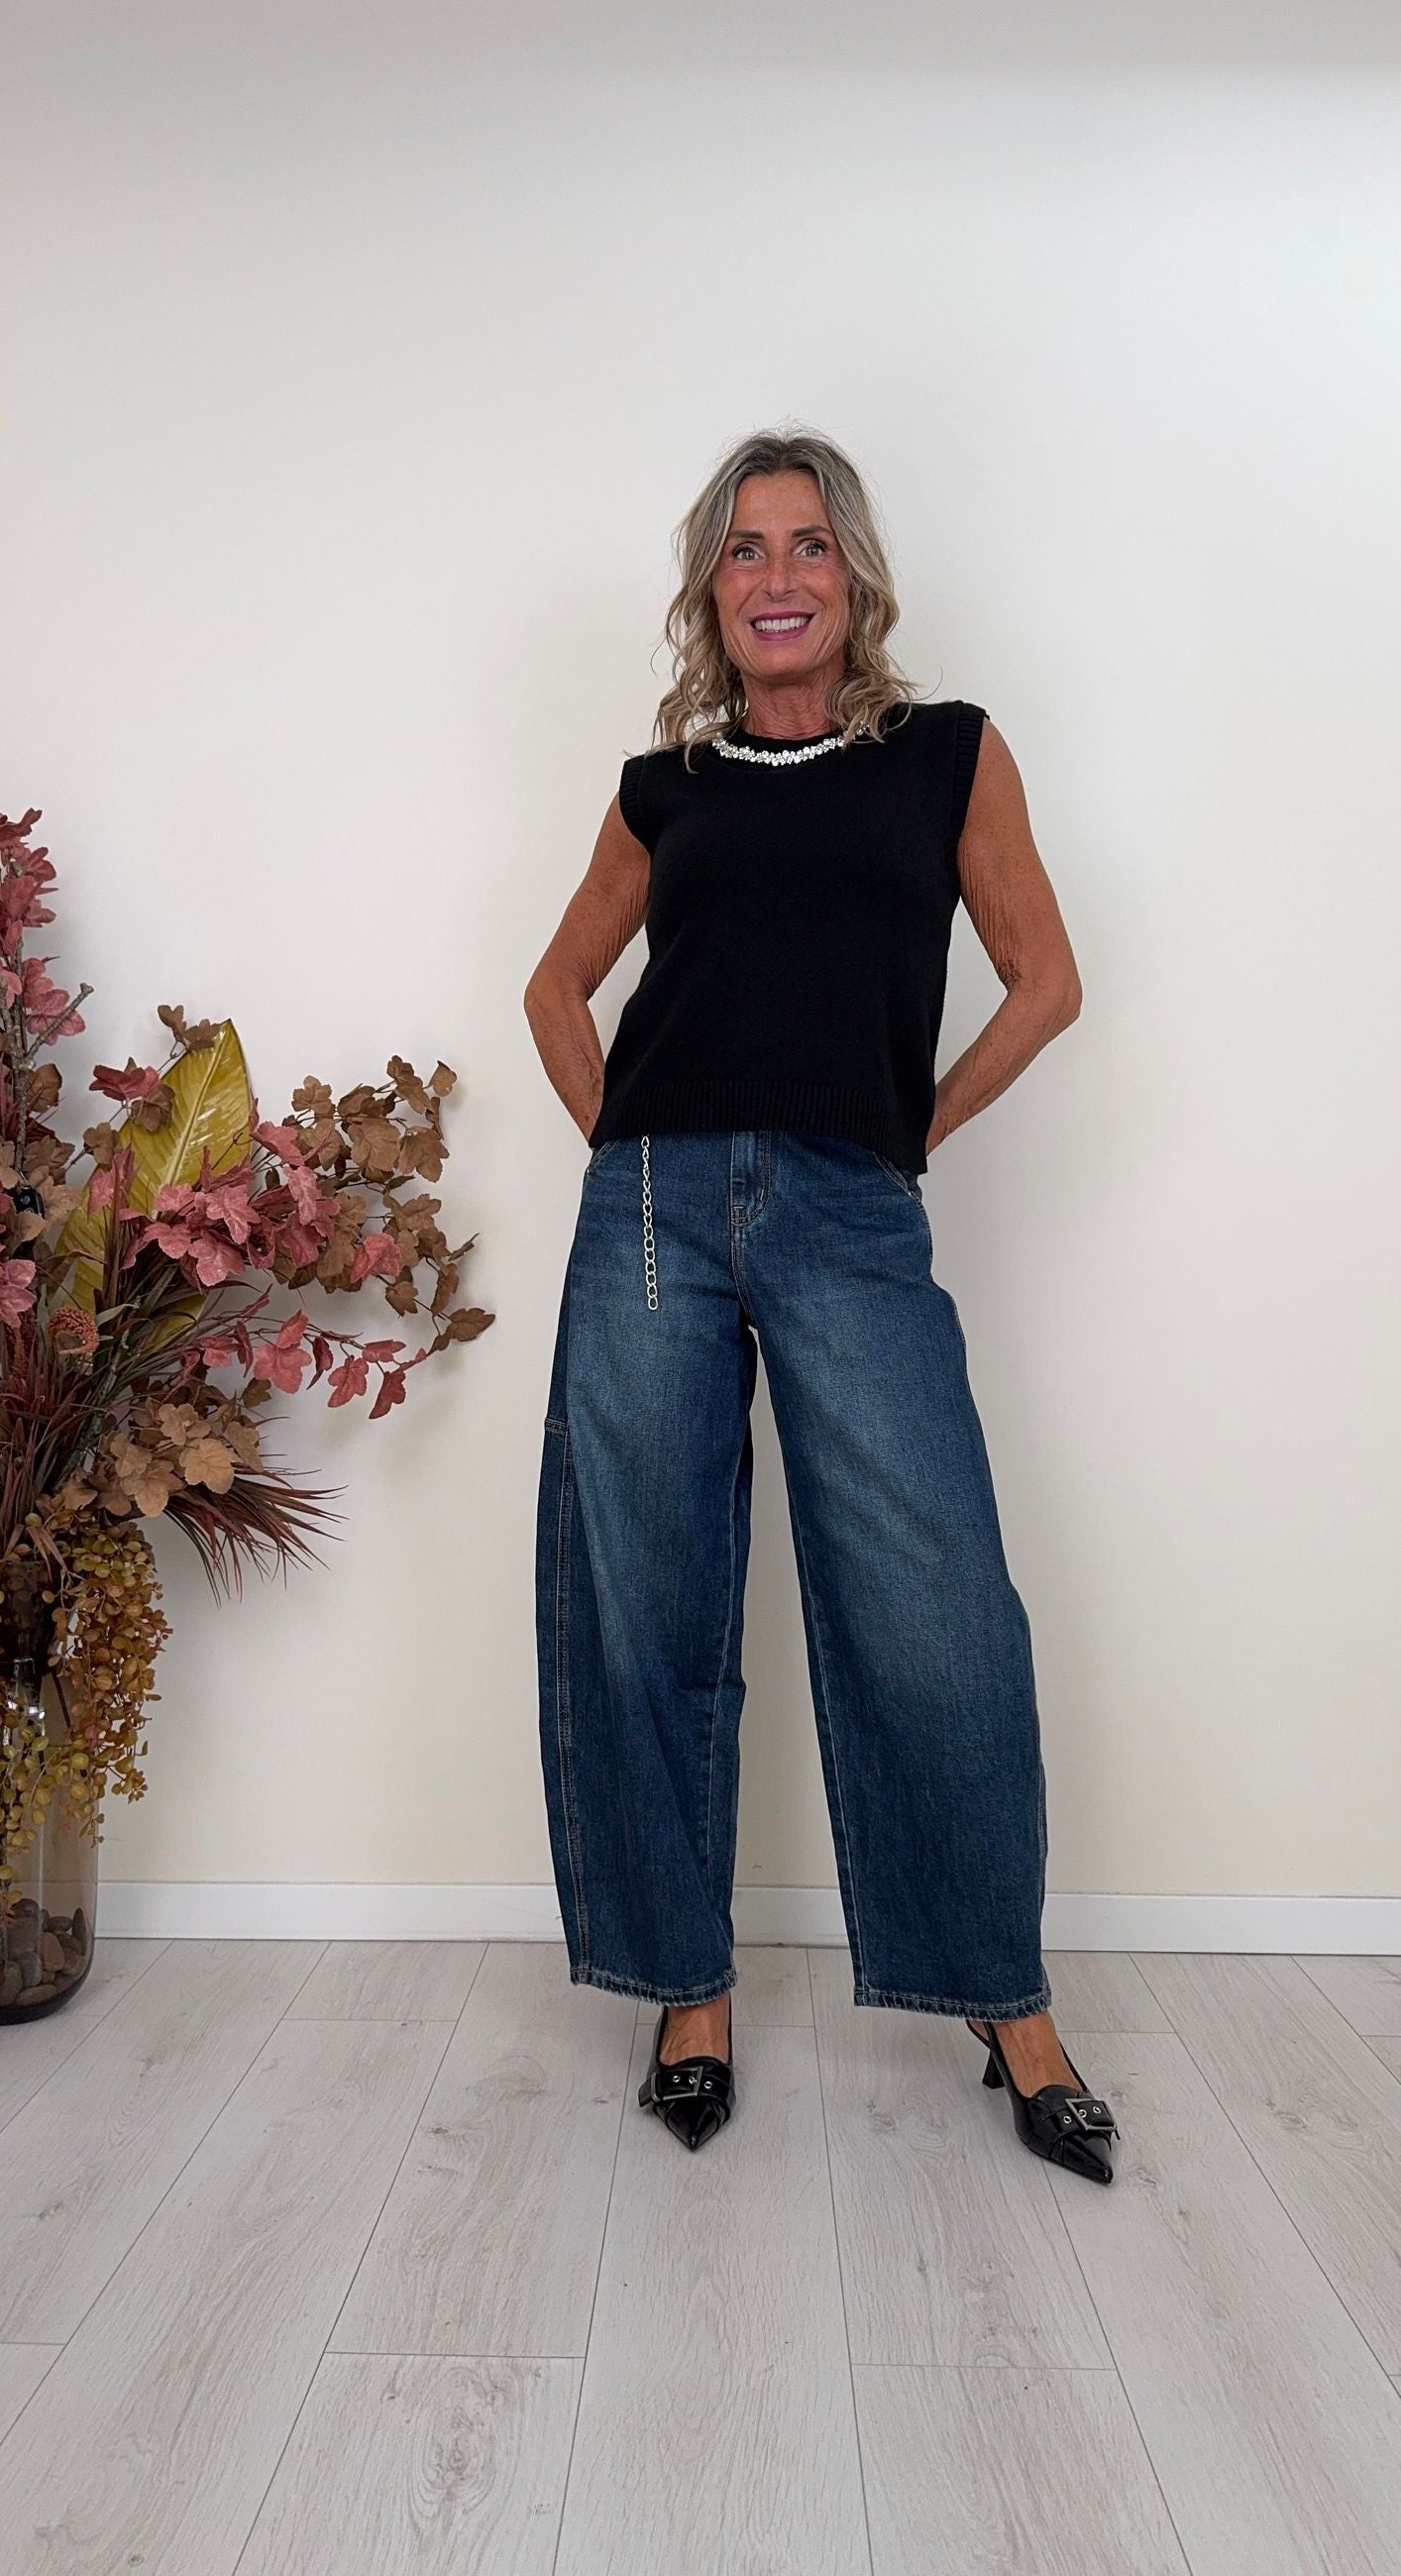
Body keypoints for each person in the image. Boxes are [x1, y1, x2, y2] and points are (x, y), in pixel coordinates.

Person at [523, 427, 1118, 2182]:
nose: (777, 576)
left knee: (939, 1601)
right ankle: (687, 1991)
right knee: (646, 1597)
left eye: (806, 544)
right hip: (654, 1208)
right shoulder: (666, 786)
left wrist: (909, 1128)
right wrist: (628, 1147)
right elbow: (556, 989)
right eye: (743, 548)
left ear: (853, 575)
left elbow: (1045, 980)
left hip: (852, 1207)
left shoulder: (947, 754)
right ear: (710, 589)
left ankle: (1007, 2005)